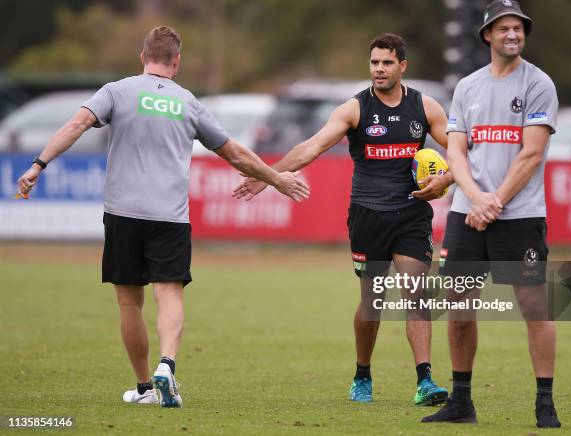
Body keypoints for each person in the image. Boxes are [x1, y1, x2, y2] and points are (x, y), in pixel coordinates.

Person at [16, 26, 309, 408]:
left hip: (122, 213)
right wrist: (276, 180)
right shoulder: (188, 102)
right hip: (169, 216)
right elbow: (235, 153)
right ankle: (167, 365)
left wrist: (39, 164)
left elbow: (76, 125)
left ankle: (143, 388)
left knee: (129, 303)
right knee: (169, 293)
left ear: (143, 57)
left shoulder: (116, 91)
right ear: (177, 61)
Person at [233, 33, 454, 406]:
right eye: (374, 63)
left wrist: (445, 179)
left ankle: (425, 381)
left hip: (411, 214)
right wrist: (268, 176)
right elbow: (311, 147)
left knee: (416, 293)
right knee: (373, 300)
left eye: (386, 63)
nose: (379, 69)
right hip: (367, 215)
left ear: (402, 66)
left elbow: (461, 151)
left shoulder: (425, 108)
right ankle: (362, 374)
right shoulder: (354, 109)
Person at [421, 0, 561, 428]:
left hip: (518, 217)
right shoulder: (467, 87)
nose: (512, 35)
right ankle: (461, 402)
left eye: (519, 29)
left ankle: (544, 404)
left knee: (534, 307)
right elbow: (457, 151)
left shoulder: (539, 84)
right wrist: (474, 199)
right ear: (487, 35)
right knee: (459, 306)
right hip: (467, 215)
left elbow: (532, 153)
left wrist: (493, 201)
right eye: (504, 29)